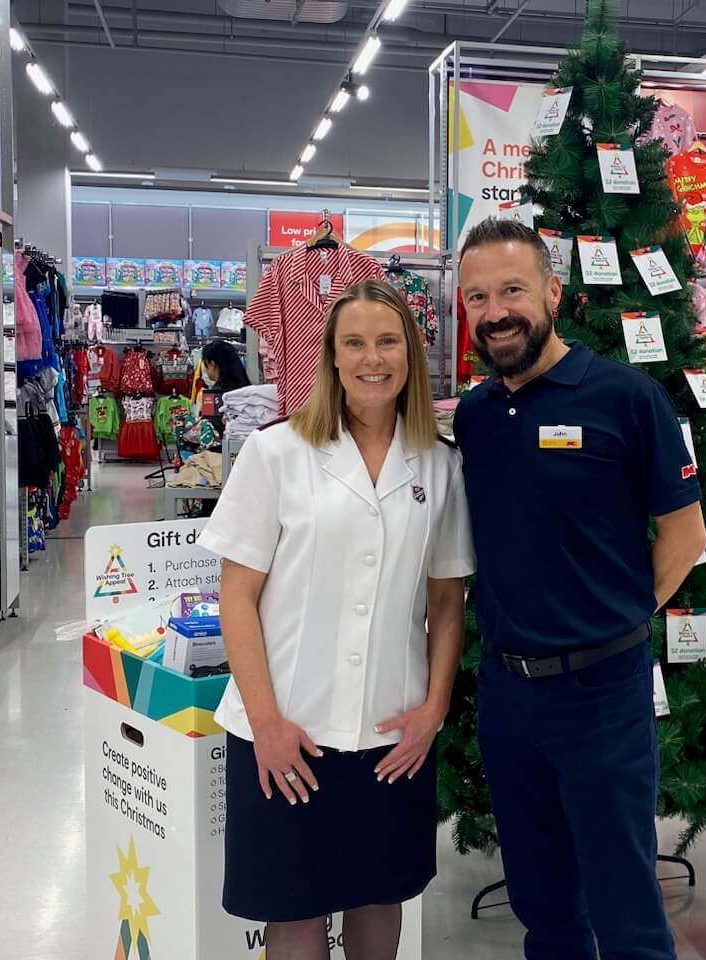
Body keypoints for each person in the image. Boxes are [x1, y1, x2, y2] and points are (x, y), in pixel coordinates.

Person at [453, 217, 706, 960]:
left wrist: (614, 620)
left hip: (602, 693)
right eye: (477, 297)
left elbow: (686, 537)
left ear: (553, 292)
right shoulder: (474, 415)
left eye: (512, 290)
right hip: (507, 693)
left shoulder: (627, 398)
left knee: (625, 903)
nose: (496, 311)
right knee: (542, 903)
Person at [197, 279, 474, 960]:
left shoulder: (439, 465)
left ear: (410, 354)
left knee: (380, 899)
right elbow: (237, 597)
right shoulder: (276, 454)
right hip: (289, 730)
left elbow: (445, 599)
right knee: (293, 912)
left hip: (392, 730)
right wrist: (266, 723)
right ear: (331, 357)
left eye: (387, 341)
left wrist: (433, 709)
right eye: (354, 343)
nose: (371, 358)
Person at [190, 338, 251, 449]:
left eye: (205, 365)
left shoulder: (214, 394)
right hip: (248, 448)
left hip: (221, 453)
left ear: (212, 364)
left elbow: (210, 429)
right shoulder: (248, 390)